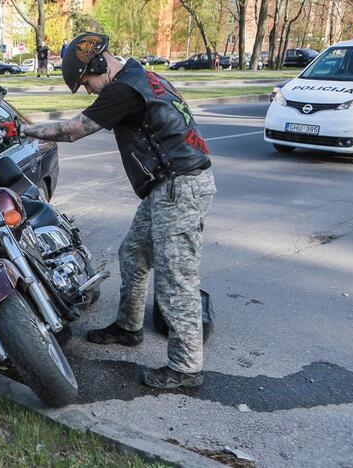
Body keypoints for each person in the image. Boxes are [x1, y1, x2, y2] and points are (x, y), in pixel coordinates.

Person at [15, 32, 216, 389]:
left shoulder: (122, 89)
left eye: (86, 82)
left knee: (176, 279)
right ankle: (128, 327)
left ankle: (186, 368)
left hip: (180, 188)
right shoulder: (139, 76)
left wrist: (24, 130)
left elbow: (76, 129)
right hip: (166, 187)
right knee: (133, 255)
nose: (89, 90)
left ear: (98, 66)